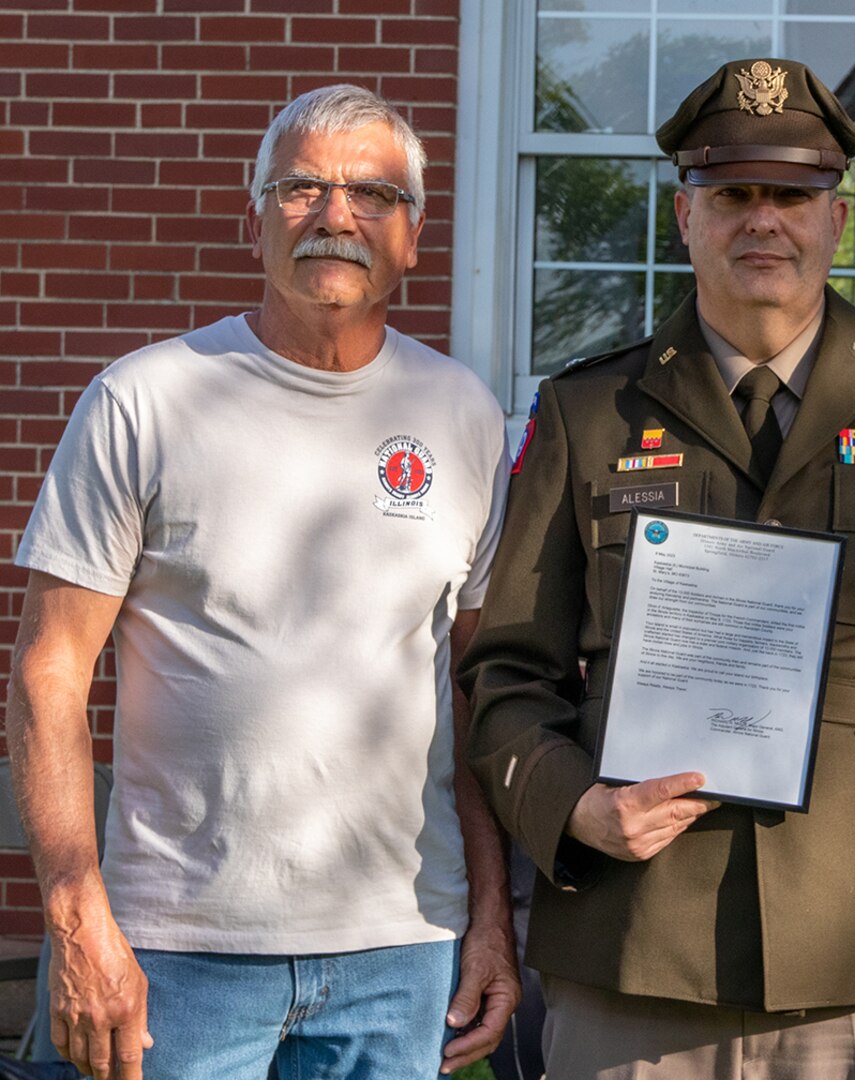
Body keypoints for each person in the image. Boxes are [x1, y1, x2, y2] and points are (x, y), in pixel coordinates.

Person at [460, 58, 855, 1079]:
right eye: (732, 194)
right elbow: (508, 673)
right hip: (636, 933)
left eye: (791, 195)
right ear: (686, 217)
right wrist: (574, 806)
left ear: (836, 215)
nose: (761, 220)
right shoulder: (588, 413)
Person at [6, 84, 519, 1080]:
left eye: (372, 193)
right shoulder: (144, 402)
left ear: (413, 237)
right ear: (256, 221)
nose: (336, 215)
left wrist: (491, 921)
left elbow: (472, 695)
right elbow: (49, 676)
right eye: (302, 187)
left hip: (402, 951)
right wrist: (77, 919)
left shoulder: (463, 418)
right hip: (173, 953)